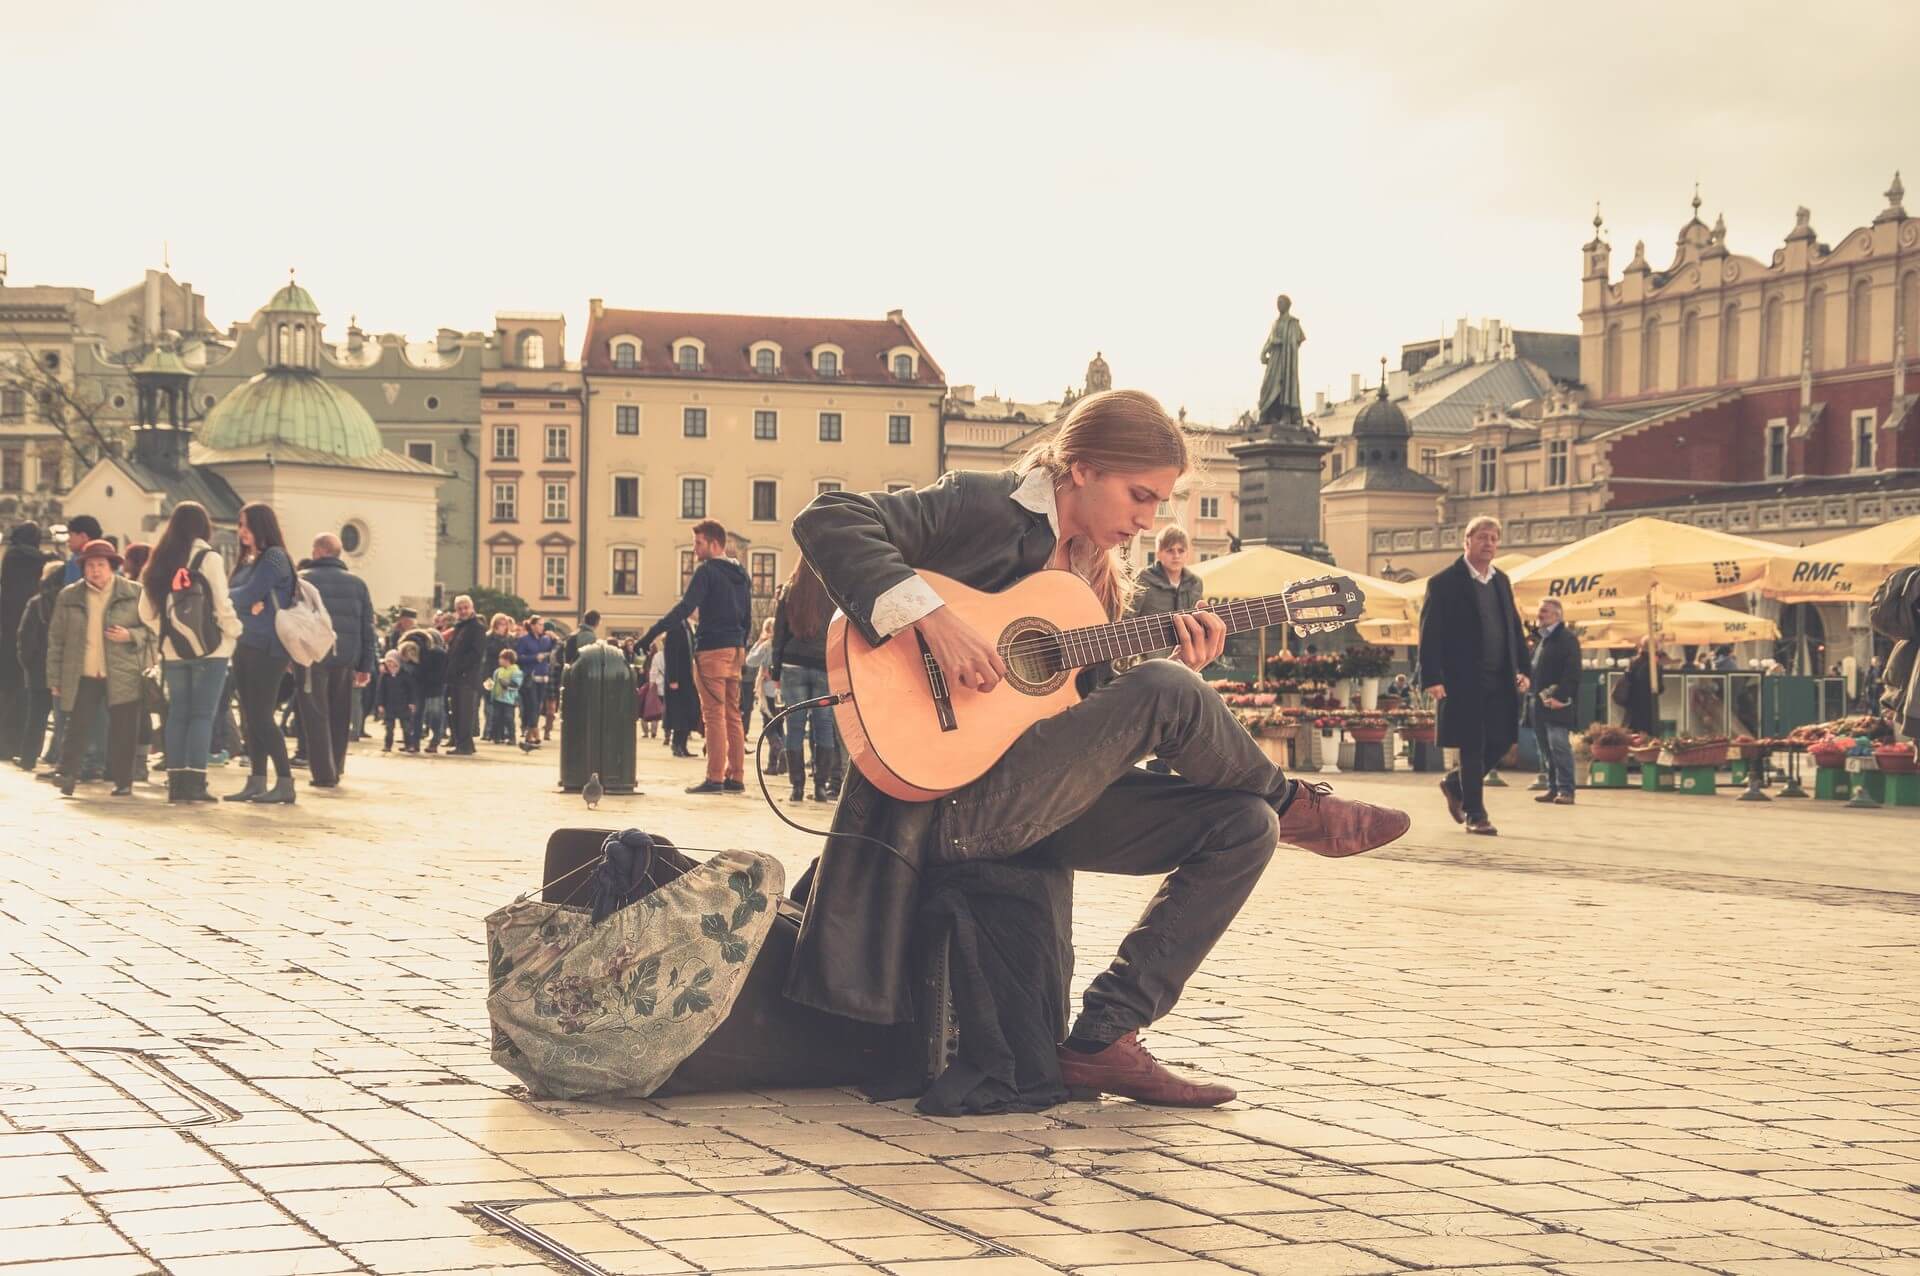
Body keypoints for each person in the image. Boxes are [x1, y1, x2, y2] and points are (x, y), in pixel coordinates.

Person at [792, 388, 1410, 1106]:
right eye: (1140, 495)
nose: (1148, 520)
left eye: (1160, 504)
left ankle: (1104, 1038)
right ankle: (1304, 805)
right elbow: (827, 518)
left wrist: (1179, 674)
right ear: (1081, 470)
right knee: (1163, 693)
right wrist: (935, 621)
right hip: (947, 806)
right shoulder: (982, 505)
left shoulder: (1094, 580)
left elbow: (1077, 719)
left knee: (1244, 825)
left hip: (1034, 802)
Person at [1420, 516, 1530, 836]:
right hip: (1462, 680)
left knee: (1502, 739)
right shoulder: (1443, 583)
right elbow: (1430, 633)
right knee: (1472, 745)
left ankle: (1455, 784)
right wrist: (1432, 677)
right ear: (1466, 541)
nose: (1489, 543)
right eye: (1482, 537)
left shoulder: (1501, 581)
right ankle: (1475, 814)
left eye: (1494, 538)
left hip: (1500, 677)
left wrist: (1524, 669)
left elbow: (1514, 628)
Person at [137, 501, 242, 802]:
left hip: (173, 651)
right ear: (203, 525)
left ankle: (176, 784)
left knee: (178, 715)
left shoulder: (160, 559)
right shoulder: (207, 557)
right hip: (211, 650)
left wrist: (167, 631)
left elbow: (145, 611)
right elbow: (222, 603)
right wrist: (233, 632)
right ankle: (196, 783)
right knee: (202, 715)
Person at [637, 519, 752, 794]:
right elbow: (747, 617)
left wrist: (650, 635)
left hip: (712, 648)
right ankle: (736, 776)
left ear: (714, 544)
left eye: (698, 543)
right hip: (736, 648)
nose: (694, 549)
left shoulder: (707, 571)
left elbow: (685, 607)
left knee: (713, 714)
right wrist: (741, 645)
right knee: (733, 714)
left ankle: (714, 777)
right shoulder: (742, 574)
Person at [44, 538, 149, 797]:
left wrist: (130, 635)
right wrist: (54, 678)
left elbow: (151, 632)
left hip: (122, 672)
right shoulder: (69, 595)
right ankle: (66, 774)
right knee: (76, 726)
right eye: (90, 565)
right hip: (84, 672)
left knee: (124, 729)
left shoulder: (133, 592)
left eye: (101, 564)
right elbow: (56, 639)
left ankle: (123, 781)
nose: (95, 570)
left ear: (112, 566)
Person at [224, 502, 298, 804]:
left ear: (260, 526)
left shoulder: (275, 558)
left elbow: (247, 594)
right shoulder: (247, 560)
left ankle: (285, 781)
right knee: (249, 717)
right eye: (239, 525)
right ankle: (256, 780)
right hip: (245, 643)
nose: (241, 531)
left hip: (269, 647)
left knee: (262, 715)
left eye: (246, 525)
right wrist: (243, 604)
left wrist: (236, 600)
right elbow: (240, 596)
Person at [294, 533, 377, 787]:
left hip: (312, 655)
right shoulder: (358, 584)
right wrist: (366, 666)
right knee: (340, 714)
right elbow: (367, 628)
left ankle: (323, 772)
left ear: (318, 551)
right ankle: (337, 766)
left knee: (316, 713)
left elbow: (292, 621)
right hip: (345, 656)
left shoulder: (303, 582)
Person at [1127, 524, 1204, 773]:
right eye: (1170, 550)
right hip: (1150, 662)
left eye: (1181, 550)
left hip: (1185, 661)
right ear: (1159, 553)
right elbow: (1128, 618)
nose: (1176, 555)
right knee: (1156, 720)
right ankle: (1155, 775)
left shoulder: (1194, 582)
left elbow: (1198, 620)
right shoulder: (1143, 579)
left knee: (1180, 720)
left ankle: (1171, 775)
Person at [770, 559, 836, 803]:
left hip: (793, 664)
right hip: (824, 664)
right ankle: (821, 787)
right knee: (824, 725)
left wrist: (775, 672)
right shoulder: (832, 586)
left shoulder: (790, 589)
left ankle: (796, 787)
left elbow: (779, 634)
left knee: (794, 727)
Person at [0, 521, 48, 759]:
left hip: (6, 629)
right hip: (31, 630)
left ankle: (3, 744)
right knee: (25, 691)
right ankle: (19, 744)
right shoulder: (41, 561)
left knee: (6, 689)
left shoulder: (9, 558)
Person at [1528, 599, 1582, 806]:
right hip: (1538, 702)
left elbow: (1573, 672)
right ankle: (1553, 788)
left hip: (1557, 703)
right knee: (1545, 749)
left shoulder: (1567, 639)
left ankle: (1566, 790)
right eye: (1540, 610)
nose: (1539, 614)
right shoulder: (1542, 639)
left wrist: (1561, 697)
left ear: (1557, 615)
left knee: (1559, 746)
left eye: (1544, 611)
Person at [14, 561, 65, 771]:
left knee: (36, 716)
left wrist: (28, 663)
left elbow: (25, 637)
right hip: (63, 668)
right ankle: (61, 759)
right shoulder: (69, 601)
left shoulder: (37, 602)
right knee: (63, 717)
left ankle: (28, 758)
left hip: (38, 669)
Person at [443, 594, 487, 756]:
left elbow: (476, 654)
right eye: (459, 609)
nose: (462, 611)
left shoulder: (477, 627)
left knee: (464, 712)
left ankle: (465, 746)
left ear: (472, 608)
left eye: (465, 608)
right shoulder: (461, 626)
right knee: (457, 711)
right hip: (456, 677)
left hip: (467, 678)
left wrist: (460, 669)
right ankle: (462, 743)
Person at [658, 616, 700, 757]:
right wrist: (673, 679)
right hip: (677, 679)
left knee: (688, 712)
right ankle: (676, 745)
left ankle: (683, 745)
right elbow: (671, 654)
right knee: (678, 714)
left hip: (687, 679)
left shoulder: (688, 627)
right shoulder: (676, 627)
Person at [513, 615, 556, 748]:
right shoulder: (524, 640)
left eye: (543, 625)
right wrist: (534, 657)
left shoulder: (544, 640)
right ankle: (534, 734)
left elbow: (553, 649)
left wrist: (555, 639)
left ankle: (529, 737)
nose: (542, 627)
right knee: (531, 705)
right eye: (539, 624)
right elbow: (518, 657)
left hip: (543, 677)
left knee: (537, 707)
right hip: (530, 677)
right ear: (532, 626)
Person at [1621, 637, 1658, 736]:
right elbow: (1660, 687)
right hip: (1648, 705)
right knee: (1647, 735)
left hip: (1632, 703)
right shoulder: (1655, 665)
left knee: (1631, 733)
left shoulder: (1633, 662)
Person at [487, 648, 522, 743]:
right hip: (497, 698)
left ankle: (512, 737)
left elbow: (517, 685)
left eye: (501, 658)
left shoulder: (516, 671)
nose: (499, 660)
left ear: (507, 660)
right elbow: (494, 683)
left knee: (509, 718)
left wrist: (507, 684)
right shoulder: (497, 671)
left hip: (509, 700)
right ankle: (497, 737)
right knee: (496, 718)